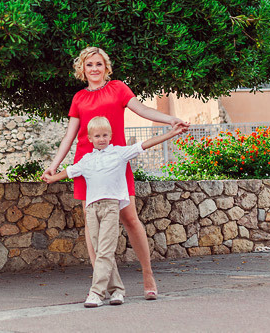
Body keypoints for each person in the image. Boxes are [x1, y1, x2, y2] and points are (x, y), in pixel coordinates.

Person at [40, 47, 189, 299]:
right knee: (92, 225)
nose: (94, 69)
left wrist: (170, 120)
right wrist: (54, 165)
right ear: (82, 69)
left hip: (116, 162)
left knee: (130, 218)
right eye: (89, 65)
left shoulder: (118, 88)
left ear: (106, 67)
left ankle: (147, 274)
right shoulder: (78, 98)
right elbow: (69, 136)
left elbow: (143, 110)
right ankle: (104, 285)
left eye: (99, 64)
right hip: (87, 166)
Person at [43, 116, 186, 307]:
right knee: (100, 251)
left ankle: (96, 292)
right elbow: (69, 172)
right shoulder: (86, 159)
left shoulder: (119, 153)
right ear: (90, 138)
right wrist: (51, 177)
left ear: (110, 136)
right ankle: (117, 290)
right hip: (91, 209)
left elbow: (145, 144)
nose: (101, 139)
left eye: (105, 135)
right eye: (97, 136)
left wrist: (171, 133)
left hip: (110, 207)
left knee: (105, 250)